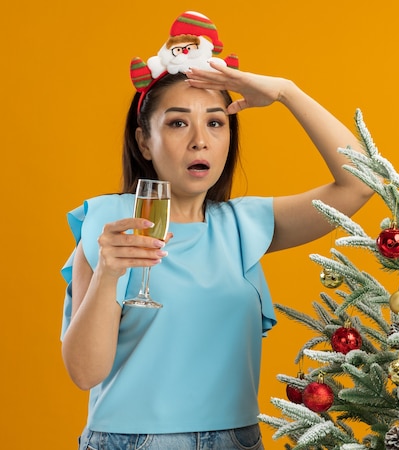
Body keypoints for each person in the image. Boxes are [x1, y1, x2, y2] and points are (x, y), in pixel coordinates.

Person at [60, 11, 373, 450]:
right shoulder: (108, 227)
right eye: (177, 122)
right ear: (143, 141)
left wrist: (286, 91)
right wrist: (109, 272)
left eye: (214, 121)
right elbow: (84, 373)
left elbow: (360, 183)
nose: (200, 140)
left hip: (236, 439)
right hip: (130, 440)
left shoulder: (244, 225)